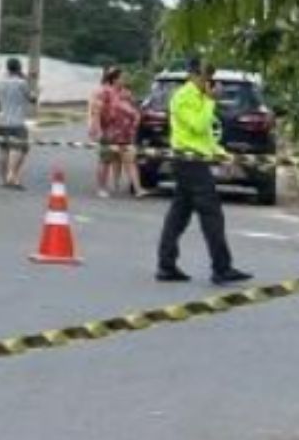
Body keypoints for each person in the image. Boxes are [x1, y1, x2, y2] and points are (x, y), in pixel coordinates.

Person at [157, 60, 252, 286]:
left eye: (210, 76)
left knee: (179, 215)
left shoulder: (200, 97)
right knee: (212, 214)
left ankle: (166, 265)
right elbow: (198, 127)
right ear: (192, 75)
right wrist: (210, 101)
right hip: (188, 160)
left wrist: (223, 155)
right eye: (204, 76)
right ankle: (221, 267)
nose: (208, 81)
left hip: (196, 159)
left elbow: (205, 137)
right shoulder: (182, 97)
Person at [90, 66, 144, 198]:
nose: (125, 80)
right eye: (122, 77)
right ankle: (101, 188)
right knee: (105, 160)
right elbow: (96, 111)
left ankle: (138, 189)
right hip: (109, 133)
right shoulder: (104, 92)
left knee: (130, 161)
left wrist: (136, 118)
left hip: (125, 134)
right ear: (114, 79)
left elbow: (134, 107)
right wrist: (96, 129)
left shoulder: (126, 93)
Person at [0, 57, 35, 190]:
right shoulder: (22, 83)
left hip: (3, 121)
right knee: (19, 149)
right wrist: (29, 82)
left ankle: (4, 179)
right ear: (19, 68)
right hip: (17, 121)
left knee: (3, 150)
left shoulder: (1, 83)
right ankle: (12, 176)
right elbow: (32, 98)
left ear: (7, 68)